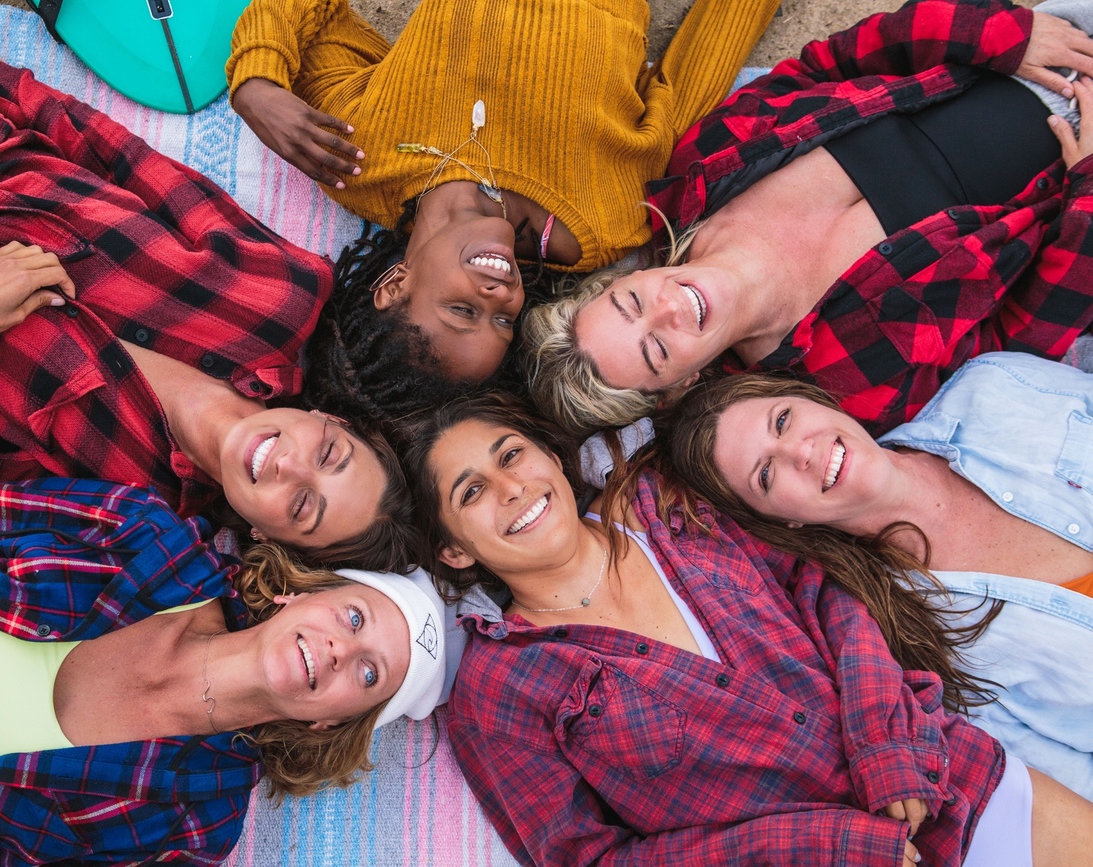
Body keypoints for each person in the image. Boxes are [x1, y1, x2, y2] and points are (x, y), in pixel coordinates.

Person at [0, 1, 414, 570]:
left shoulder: (121, 505)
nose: (289, 466)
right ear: (335, 422)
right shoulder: (278, 294)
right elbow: (121, 157)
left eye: (304, 508)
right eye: (329, 456)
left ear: (273, 544)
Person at [399, 391, 1093, 867]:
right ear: (455, 550)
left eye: (511, 454)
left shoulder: (668, 499)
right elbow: (590, 858)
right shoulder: (499, 691)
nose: (510, 487)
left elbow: (826, 583)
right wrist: (809, 843)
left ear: (550, 457)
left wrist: (885, 741)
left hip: (944, 776)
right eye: (471, 491)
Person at [0, 473, 458, 865]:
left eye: (370, 675)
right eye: (353, 616)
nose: (345, 649)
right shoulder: (148, 539)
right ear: (301, 591)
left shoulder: (191, 824)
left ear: (329, 724)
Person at [525, 0, 1093, 439]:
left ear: (624, 279)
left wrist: (998, 35)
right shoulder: (841, 383)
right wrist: (1086, 192)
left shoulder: (705, 169)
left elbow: (828, 64)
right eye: (656, 350)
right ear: (679, 386)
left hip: (1035, 52)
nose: (668, 309)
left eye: (631, 304)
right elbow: (1015, 345)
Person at [226, 0, 780, 419]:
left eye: (463, 312)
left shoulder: (354, 157)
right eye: (503, 321)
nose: (499, 297)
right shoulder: (601, 221)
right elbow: (689, 85)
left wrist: (255, 80)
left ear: (394, 285)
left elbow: (312, 13)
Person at [663, 350, 1093, 796]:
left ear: (812, 400)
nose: (800, 451)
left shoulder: (995, 386)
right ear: (783, 521)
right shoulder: (917, 650)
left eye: (783, 420)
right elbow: (1072, 786)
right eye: (767, 474)